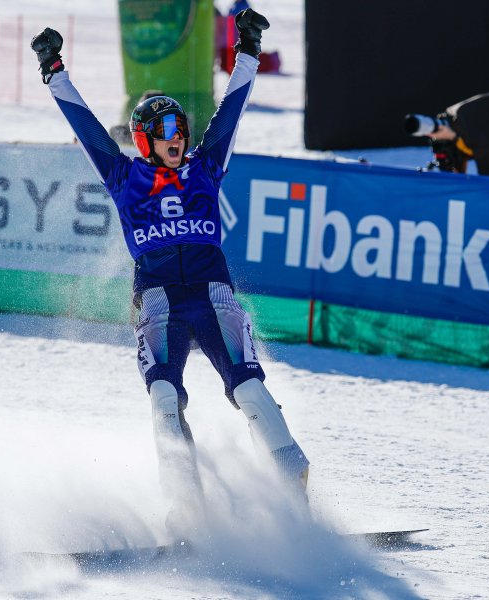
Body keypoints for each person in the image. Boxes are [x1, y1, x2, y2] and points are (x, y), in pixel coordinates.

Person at [30, 8, 309, 527]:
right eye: (164, 129)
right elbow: (86, 125)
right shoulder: (124, 177)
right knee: (163, 396)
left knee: (248, 388)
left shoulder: (205, 168)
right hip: (157, 299)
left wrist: (246, 51)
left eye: (179, 126)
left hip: (213, 296)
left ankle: (294, 485)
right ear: (144, 138)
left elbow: (231, 111)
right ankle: (186, 507)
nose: (176, 135)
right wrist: (55, 71)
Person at [404, 92, 489, 178]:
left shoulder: (478, 131)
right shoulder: (455, 119)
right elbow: (454, 172)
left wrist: (453, 137)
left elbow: (483, 151)